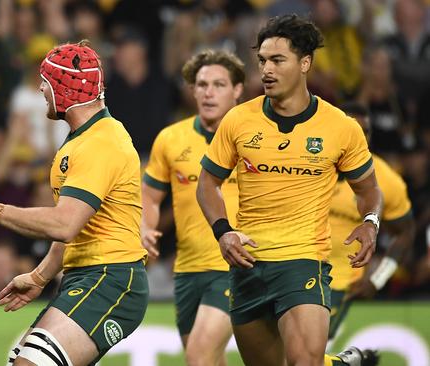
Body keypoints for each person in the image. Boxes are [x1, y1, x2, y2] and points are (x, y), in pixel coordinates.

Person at [196, 15, 382, 366]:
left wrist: (370, 222)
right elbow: (208, 183)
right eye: (263, 60)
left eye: (278, 60)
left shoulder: (341, 127)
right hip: (247, 265)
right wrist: (223, 232)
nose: (266, 69)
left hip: (303, 262)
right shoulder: (238, 120)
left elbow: (369, 189)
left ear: (305, 63)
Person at [0, 40, 149, 366]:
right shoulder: (82, 139)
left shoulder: (101, 143)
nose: (41, 89)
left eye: (47, 81)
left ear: (66, 89)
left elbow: (65, 224)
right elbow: (74, 227)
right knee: (19, 361)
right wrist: (40, 276)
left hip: (110, 278)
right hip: (87, 276)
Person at [141, 49, 243, 366]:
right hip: (186, 271)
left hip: (236, 266)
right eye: (201, 85)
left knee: (198, 357)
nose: (208, 92)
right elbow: (150, 195)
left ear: (237, 90)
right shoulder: (171, 139)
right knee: (209, 361)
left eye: (218, 84)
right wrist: (145, 226)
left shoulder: (255, 137)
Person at [327, 103, 415, 340]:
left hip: (339, 285)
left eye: (364, 132)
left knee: (305, 353)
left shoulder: (385, 180)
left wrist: (378, 279)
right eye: (350, 130)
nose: (358, 138)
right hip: (290, 272)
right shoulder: (307, 167)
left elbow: (405, 232)